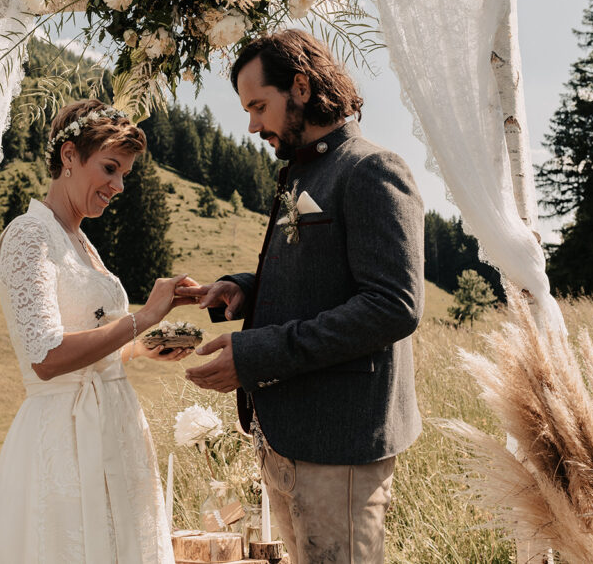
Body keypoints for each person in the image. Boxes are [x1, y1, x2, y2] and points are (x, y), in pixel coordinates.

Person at [179, 30, 425, 564]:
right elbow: (319, 275)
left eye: (259, 106)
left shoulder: (371, 170)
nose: (251, 125)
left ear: (302, 86)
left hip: (341, 442)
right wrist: (245, 288)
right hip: (287, 434)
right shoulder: (301, 172)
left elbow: (393, 305)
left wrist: (254, 354)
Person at [0, 99, 195, 564]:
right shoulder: (28, 235)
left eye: (124, 176)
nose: (117, 186)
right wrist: (144, 316)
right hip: (65, 437)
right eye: (110, 168)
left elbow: (92, 342)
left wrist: (145, 347)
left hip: (114, 425)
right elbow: (47, 357)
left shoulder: (81, 241)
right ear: (69, 155)